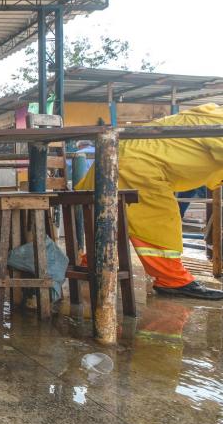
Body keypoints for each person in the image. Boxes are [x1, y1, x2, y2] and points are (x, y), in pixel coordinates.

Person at [78, 104, 223, 301]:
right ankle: (172, 279)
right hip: (136, 166)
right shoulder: (217, 122)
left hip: (119, 157)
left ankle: (93, 264)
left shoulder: (211, 116)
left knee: (117, 221)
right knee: (159, 221)